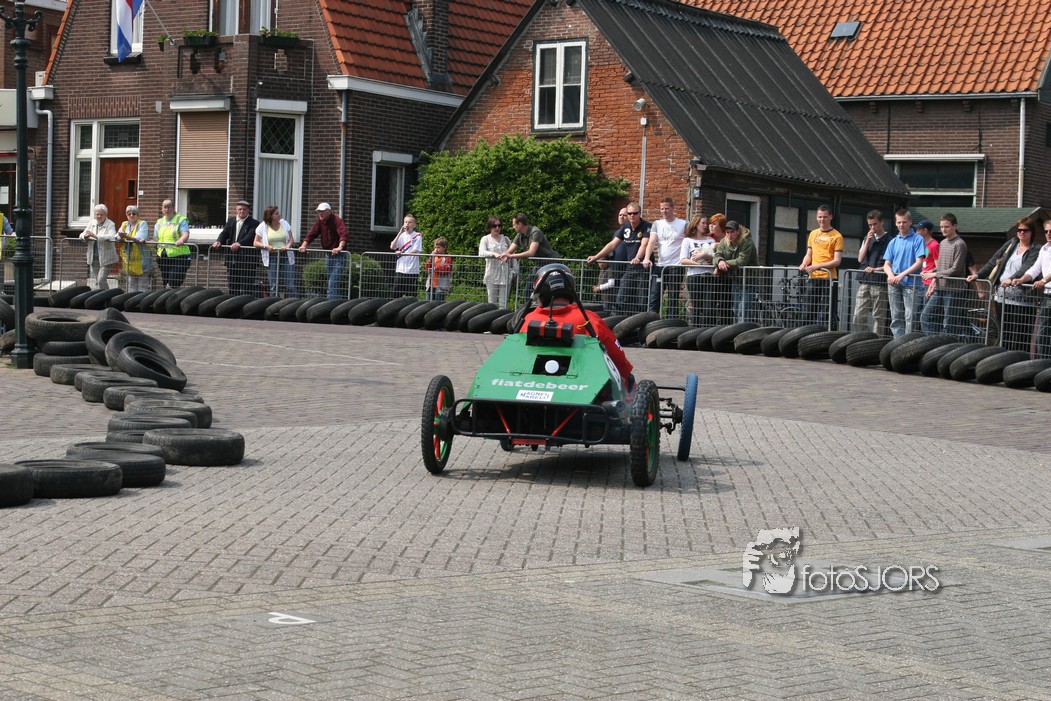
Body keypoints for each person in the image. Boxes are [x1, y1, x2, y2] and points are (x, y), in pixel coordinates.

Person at [519, 263, 633, 386]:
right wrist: (627, 378)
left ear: (540, 292)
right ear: (570, 288)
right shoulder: (589, 319)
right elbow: (618, 358)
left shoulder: (528, 320)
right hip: (581, 384)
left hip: (532, 384)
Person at [969, 216, 1042, 352]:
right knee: (1005, 333)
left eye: (1025, 230)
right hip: (1002, 296)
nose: (1021, 233)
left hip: (1023, 300)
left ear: (1031, 232)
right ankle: (1004, 359)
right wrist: (978, 275)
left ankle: (1020, 361)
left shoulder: (1036, 249)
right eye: (1019, 230)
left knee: (1021, 335)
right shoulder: (1011, 243)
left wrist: (1012, 279)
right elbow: (993, 261)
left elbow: (1027, 268)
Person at [586, 203, 649, 315]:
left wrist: (638, 257)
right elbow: (612, 244)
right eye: (630, 213)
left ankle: (640, 322)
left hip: (642, 269)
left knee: (641, 301)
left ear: (640, 213)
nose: (632, 215)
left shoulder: (646, 226)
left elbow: (644, 245)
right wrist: (596, 256)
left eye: (635, 213)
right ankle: (626, 321)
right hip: (630, 269)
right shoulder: (625, 227)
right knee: (621, 298)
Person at [920, 214, 969, 338]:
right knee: (925, 316)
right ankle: (934, 343)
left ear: (954, 226)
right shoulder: (942, 243)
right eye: (941, 227)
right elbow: (941, 266)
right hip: (940, 287)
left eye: (946, 226)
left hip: (954, 289)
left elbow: (956, 269)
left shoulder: (960, 244)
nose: (943, 229)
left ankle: (947, 346)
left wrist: (934, 274)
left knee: (949, 322)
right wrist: (930, 274)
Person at [1009, 219, 1051, 358]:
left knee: (1043, 333)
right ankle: (1045, 364)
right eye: (1046, 231)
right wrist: (1022, 279)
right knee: (1043, 334)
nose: (1048, 234)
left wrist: (1043, 280)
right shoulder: (1044, 249)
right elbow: (1035, 268)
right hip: (1047, 295)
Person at [882, 209, 927, 337]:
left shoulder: (918, 239)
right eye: (899, 222)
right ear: (896, 223)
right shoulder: (893, 241)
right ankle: (897, 343)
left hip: (912, 284)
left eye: (904, 222)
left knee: (910, 316)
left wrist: (901, 275)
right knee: (895, 316)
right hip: (894, 283)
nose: (901, 225)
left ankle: (908, 343)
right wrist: (891, 275)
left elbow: (919, 262)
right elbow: (886, 264)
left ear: (910, 222)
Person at [642, 197, 687, 317]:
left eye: (666, 208)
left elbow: (689, 241)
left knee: (673, 297)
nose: (664, 211)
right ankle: (651, 320)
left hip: (676, 265)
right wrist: (646, 257)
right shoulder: (657, 224)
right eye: (662, 209)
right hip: (661, 265)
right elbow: (652, 241)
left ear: (672, 208)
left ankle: (671, 322)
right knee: (655, 295)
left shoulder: (683, 224)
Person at [798, 204, 843, 327]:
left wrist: (817, 266)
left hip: (829, 278)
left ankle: (828, 335)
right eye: (820, 217)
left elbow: (837, 261)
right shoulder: (813, 234)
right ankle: (806, 334)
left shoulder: (837, 236)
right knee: (808, 311)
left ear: (830, 217)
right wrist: (804, 263)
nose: (822, 219)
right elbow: (809, 254)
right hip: (813, 277)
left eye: (825, 217)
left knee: (827, 313)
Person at [501, 213, 558, 300]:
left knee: (549, 289)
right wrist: (503, 255)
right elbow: (509, 251)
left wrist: (511, 256)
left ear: (520, 224)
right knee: (528, 290)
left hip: (551, 263)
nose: (513, 227)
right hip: (539, 264)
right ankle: (528, 307)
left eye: (514, 224)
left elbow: (531, 252)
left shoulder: (535, 232)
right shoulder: (520, 235)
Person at [852, 209, 891, 336]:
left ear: (882, 222)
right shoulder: (866, 238)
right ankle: (866, 339)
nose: (873, 227)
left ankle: (876, 342)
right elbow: (860, 259)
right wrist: (868, 241)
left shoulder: (890, 240)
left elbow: (891, 264)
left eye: (875, 224)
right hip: (865, 280)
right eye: (870, 225)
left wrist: (876, 269)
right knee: (858, 315)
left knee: (879, 317)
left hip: (880, 282)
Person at [299, 202, 348, 300]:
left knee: (333, 282)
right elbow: (312, 234)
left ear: (329, 212)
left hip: (339, 256)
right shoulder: (320, 222)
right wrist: (304, 245)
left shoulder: (337, 220)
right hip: (328, 255)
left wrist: (340, 247)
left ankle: (330, 304)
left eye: (322, 211)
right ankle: (337, 303)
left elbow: (344, 234)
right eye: (318, 212)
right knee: (332, 282)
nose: (320, 213)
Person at [213, 200, 261, 297]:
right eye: (240, 209)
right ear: (236, 210)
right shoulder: (231, 221)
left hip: (247, 260)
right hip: (232, 259)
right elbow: (224, 233)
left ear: (248, 211)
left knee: (247, 286)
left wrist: (239, 244)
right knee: (233, 284)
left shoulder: (254, 223)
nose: (242, 211)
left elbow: (250, 236)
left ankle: (245, 303)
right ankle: (232, 302)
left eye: (244, 209)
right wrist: (219, 241)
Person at [713, 220, 757, 324]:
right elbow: (717, 255)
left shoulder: (747, 242)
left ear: (738, 232)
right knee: (736, 309)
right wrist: (720, 261)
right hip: (735, 279)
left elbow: (742, 261)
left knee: (744, 310)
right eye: (727, 232)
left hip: (748, 280)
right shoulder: (724, 242)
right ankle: (738, 330)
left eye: (732, 232)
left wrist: (724, 264)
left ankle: (744, 331)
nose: (729, 235)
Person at [679, 215, 715, 327]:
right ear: (695, 224)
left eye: (706, 223)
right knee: (697, 307)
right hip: (694, 276)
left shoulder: (711, 240)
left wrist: (704, 255)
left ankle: (708, 331)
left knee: (709, 307)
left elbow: (716, 258)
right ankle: (695, 331)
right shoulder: (687, 241)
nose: (705, 225)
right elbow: (683, 260)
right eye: (703, 223)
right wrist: (699, 264)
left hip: (709, 276)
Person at [254, 205, 297, 298]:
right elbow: (256, 242)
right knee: (273, 285)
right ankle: (273, 303)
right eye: (276, 213)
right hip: (271, 257)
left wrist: (287, 246)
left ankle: (293, 302)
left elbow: (291, 239)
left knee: (290, 284)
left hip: (285, 255)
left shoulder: (284, 223)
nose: (279, 215)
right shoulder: (262, 226)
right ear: (270, 216)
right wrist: (266, 246)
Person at [79, 204, 119, 290]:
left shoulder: (110, 224)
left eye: (101, 214)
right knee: (98, 280)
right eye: (97, 214)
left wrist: (96, 236)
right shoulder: (91, 223)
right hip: (94, 256)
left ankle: (106, 295)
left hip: (107, 257)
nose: (99, 216)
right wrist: (85, 236)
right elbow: (82, 234)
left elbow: (112, 236)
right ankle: (102, 296)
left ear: (105, 215)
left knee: (101, 280)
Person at [154, 199, 192, 289]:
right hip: (163, 257)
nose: (167, 209)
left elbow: (185, 234)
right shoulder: (159, 222)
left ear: (173, 208)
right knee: (166, 283)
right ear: (162, 209)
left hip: (179, 256)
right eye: (165, 207)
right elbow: (156, 238)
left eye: (169, 207)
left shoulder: (180, 220)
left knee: (171, 284)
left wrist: (181, 240)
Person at [117, 205, 152, 293]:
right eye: (129, 214)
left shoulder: (142, 224)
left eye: (134, 213)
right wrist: (120, 237)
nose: (131, 215)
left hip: (141, 258)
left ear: (137, 215)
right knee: (131, 284)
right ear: (126, 215)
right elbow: (117, 235)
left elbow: (139, 237)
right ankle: (131, 300)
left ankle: (141, 300)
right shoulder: (124, 224)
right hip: (130, 259)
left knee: (142, 284)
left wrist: (125, 236)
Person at [479, 217, 512, 307]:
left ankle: (503, 316)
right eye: (494, 226)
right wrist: (493, 254)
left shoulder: (506, 239)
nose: (497, 228)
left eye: (499, 225)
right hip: (491, 274)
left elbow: (512, 255)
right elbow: (481, 252)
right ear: (490, 227)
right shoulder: (485, 239)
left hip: (505, 274)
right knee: (491, 302)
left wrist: (514, 271)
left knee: (503, 303)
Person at [390, 213, 423, 297]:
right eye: (405, 222)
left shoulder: (417, 236)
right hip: (401, 269)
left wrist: (402, 253)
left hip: (412, 270)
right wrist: (399, 233)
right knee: (395, 294)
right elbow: (392, 246)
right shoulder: (401, 236)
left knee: (410, 295)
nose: (407, 224)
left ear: (414, 225)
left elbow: (415, 250)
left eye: (410, 222)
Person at [425, 237, 454, 301]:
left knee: (439, 304)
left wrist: (435, 269)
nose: (436, 249)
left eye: (438, 247)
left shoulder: (447, 258)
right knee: (428, 304)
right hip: (430, 285)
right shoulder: (433, 257)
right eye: (435, 247)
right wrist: (430, 258)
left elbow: (446, 269)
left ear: (444, 247)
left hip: (441, 287)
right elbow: (426, 268)